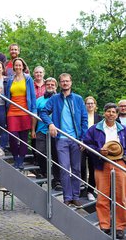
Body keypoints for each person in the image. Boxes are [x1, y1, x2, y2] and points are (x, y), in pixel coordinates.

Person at [40, 73, 88, 207]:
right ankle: (67, 197)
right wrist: (50, 124)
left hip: (76, 140)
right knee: (65, 169)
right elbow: (43, 112)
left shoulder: (78, 99)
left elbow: (84, 120)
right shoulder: (55, 99)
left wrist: (83, 139)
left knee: (77, 169)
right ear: (60, 84)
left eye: (67, 81)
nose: (65, 83)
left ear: (71, 83)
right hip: (61, 139)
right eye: (63, 81)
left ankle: (76, 196)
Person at [83, 103, 126, 239]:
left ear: (117, 114)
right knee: (102, 196)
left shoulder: (123, 129)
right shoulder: (95, 129)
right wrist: (98, 151)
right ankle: (105, 225)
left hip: (119, 163)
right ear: (104, 112)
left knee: (121, 197)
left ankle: (120, 226)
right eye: (109, 111)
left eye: (114, 112)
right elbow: (87, 143)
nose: (111, 114)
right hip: (101, 163)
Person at [5, 57, 37, 169]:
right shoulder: (10, 79)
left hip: (25, 111)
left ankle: (21, 160)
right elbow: (7, 95)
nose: (18, 67)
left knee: (23, 138)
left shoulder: (28, 79)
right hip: (12, 111)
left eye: (20, 65)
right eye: (16, 65)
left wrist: (33, 111)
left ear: (23, 66)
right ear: (13, 67)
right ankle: (15, 157)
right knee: (12, 136)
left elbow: (33, 97)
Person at [31, 77, 62, 190]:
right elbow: (34, 116)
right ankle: (44, 172)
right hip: (41, 130)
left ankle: (57, 180)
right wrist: (33, 130)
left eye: (52, 84)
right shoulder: (39, 100)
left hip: (57, 132)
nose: (50, 86)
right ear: (45, 86)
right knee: (40, 153)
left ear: (56, 86)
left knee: (56, 156)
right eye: (48, 84)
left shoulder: (61, 99)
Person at [81, 96, 102, 201]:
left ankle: (90, 191)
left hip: (94, 147)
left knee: (93, 168)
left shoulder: (100, 118)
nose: (90, 105)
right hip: (81, 145)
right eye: (88, 103)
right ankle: (82, 187)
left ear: (95, 105)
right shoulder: (81, 116)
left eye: (92, 103)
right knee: (81, 166)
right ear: (85, 105)